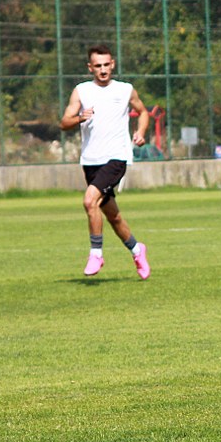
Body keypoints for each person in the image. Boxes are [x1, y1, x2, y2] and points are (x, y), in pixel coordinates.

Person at [59, 44, 152, 280]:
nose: (102, 70)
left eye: (106, 65)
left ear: (113, 65)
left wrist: (141, 132)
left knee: (90, 201)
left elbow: (143, 111)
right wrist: (80, 117)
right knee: (113, 215)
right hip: (90, 160)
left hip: (117, 157)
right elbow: (64, 122)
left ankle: (96, 254)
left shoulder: (125, 90)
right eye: (97, 66)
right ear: (90, 67)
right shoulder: (81, 91)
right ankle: (136, 249)